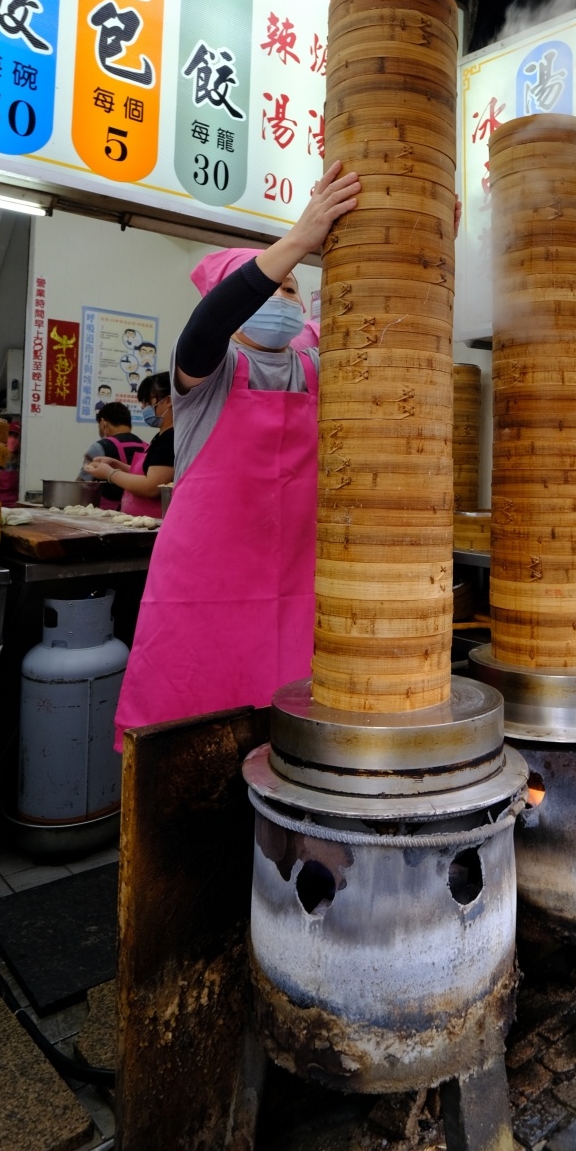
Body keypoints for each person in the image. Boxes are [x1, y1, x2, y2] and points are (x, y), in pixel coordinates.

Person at [107, 160, 360, 751]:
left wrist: (428, 245)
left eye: (292, 286)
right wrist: (299, 239)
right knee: (194, 746)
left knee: (292, 745)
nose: (283, 294)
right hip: (205, 593)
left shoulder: (315, 366)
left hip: (300, 588)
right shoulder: (208, 373)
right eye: (269, 283)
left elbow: (374, 321)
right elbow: (208, 324)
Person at [85, 372, 175, 515]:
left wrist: (110, 474)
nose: (143, 408)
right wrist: (117, 465)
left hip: (152, 524)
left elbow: (152, 486)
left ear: (168, 400)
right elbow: (151, 472)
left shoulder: (171, 438)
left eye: (147, 402)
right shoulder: (161, 436)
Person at [79, 401, 145, 510]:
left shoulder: (99, 447)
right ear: (130, 425)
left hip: (107, 514)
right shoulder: (147, 446)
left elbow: (81, 486)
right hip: (139, 513)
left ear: (103, 423)